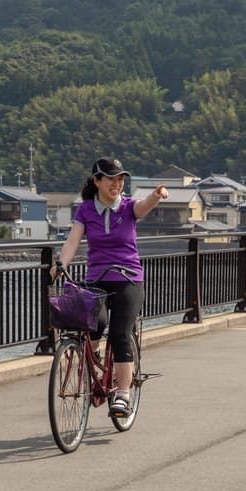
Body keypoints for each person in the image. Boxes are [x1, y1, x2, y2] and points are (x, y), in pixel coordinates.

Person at [51, 157, 169, 417]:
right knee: (92, 324)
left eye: (120, 179)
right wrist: (60, 263)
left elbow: (143, 207)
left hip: (128, 279)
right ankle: (92, 369)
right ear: (97, 181)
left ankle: (123, 394)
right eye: (110, 178)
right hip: (97, 279)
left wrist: (156, 196)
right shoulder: (85, 210)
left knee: (119, 333)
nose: (117, 183)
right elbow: (72, 241)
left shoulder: (127, 207)